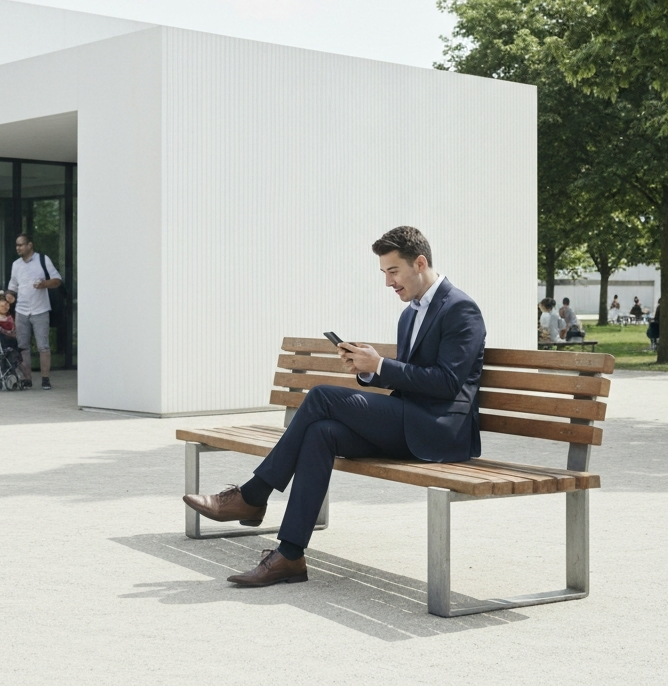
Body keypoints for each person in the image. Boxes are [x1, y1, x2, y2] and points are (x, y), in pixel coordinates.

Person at [182, 225, 485, 588]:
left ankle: (253, 495)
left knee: (322, 396)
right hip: (409, 423)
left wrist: (380, 365)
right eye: (384, 272)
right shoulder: (410, 314)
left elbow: (447, 383)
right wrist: (368, 371)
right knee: (321, 432)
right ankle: (289, 556)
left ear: (420, 263)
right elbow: (411, 378)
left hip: (439, 432)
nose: (388, 282)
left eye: (393, 271)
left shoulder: (460, 309)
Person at [7, 233, 61, 390]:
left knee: (43, 346)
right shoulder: (16, 264)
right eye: (16, 245)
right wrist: (9, 295)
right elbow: (13, 285)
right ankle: (27, 378)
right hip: (21, 310)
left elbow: (57, 280)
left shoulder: (43, 259)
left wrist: (44, 284)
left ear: (29, 245)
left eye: (21, 245)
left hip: (40, 310)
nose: (18, 248)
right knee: (23, 346)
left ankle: (45, 378)